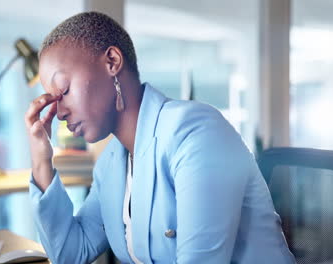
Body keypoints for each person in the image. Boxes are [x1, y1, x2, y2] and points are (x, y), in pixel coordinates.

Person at [25, 11, 295, 264]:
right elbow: (71, 253)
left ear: (112, 62)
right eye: (53, 100)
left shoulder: (196, 134)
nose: (59, 112)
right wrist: (41, 160)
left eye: (64, 90)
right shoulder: (112, 162)